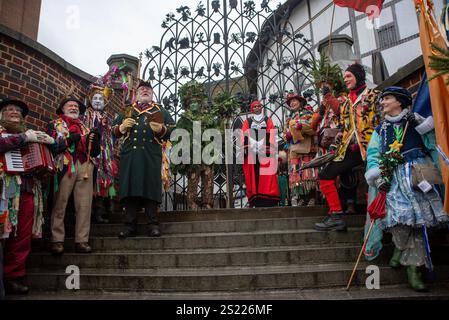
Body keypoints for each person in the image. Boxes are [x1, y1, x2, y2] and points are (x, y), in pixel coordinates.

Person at [365, 86, 448, 291]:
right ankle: (400, 247)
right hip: (392, 178)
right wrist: (377, 177)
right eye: (382, 99)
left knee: (417, 223)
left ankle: (414, 269)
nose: (382, 102)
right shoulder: (380, 130)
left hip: (417, 176)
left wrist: (421, 125)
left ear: (399, 101)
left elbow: (432, 143)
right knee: (398, 221)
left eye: (387, 98)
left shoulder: (416, 120)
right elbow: (373, 154)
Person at [314, 63, 381, 231]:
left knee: (372, 182)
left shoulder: (374, 95)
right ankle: (336, 215)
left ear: (358, 76)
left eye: (349, 76)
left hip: (371, 148)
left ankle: (377, 219)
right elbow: (344, 128)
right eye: (344, 78)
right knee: (325, 175)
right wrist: (336, 146)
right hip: (349, 150)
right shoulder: (345, 103)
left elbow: (381, 121)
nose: (346, 80)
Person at [0, 99, 55, 294]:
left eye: (17, 111)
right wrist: (24, 137)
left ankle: (13, 276)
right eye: (9, 110)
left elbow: (41, 162)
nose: (14, 112)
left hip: (27, 191)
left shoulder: (32, 136)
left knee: (22, 237)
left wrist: (52, 147)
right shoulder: (8, 134)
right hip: (4, 192)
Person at [113, 80, 175, 238]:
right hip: (130, 156)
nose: (145, 91)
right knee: (130, 189)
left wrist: (162, 129)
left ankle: (153, 224)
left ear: (152, 93)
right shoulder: (127, 110)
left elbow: (174, 131)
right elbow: (113, 131)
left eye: (148, 89)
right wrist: (121, 127)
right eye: (142, 89)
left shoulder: (160, 110)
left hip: (150, 154)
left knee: (150, 188)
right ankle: (129, 225)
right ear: (137, 92)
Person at [46, 96, 101, 254]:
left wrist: (95, 142)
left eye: (76, 106)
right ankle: (57, 240)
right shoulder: (54, 125)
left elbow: (95, 153)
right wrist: (69, 140)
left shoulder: (86, 128)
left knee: (84, 205)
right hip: (64, 165)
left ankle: (82, 240)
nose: (74, 108)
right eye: (70, 105)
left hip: (85, 167)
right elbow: (52, 148)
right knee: (60, 202)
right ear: (62, 109)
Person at [83, 85, 116, 223]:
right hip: (89, 153)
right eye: (95, 98)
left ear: (105, 102)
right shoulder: (85, 115)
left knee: (102, 180)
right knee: (90, 181)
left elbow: (112, 137)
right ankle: (86, 213)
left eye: (100, 99)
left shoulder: (108, 119)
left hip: (104, 155)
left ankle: (99, 211)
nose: (97, 101)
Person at [242, 100, 280, 207]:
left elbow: (271, 132)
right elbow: (244, 134)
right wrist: (249, 146)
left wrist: (266, 147)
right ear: (252, 109)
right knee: (253, 177)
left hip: (265, 151)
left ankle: (268, 199)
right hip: (252, 152)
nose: (257, 108)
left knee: (267, 176)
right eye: (255, 107)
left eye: (259, 106)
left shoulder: (268, 120)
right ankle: (255, 199)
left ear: (262, 108)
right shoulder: (247, 121)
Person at [284, 93, 318, 206]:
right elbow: (285, 134)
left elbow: (313, 127)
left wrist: (300, 127)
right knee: (297, 173)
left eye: (294, 101)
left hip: (306, 148)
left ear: (301, 102)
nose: (292, 103)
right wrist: (287, 135)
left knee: (308, 173)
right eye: (290, 102)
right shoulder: (291, 117)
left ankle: (312, 197)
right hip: (294, 150)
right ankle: (301, 197)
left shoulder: (308, 113)